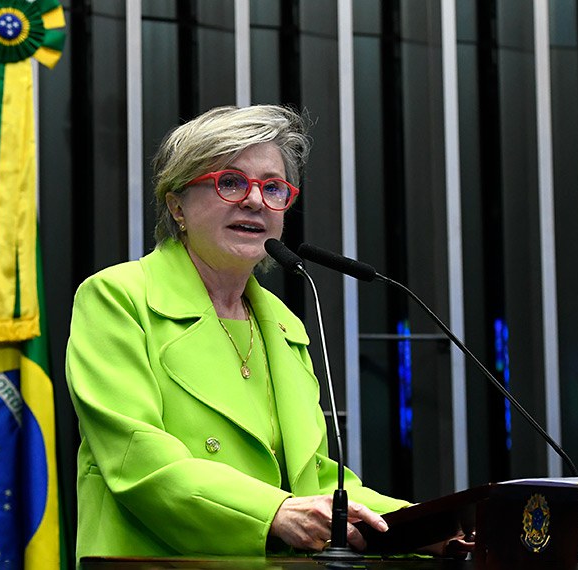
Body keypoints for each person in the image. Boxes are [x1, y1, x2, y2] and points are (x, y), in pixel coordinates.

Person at [65, 105, 459, 561]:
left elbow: (318, 481)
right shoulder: (117, 298)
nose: (254, 201)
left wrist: (428, 528)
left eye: (273, 188)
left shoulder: (284, 325)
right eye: (230, 182)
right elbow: (140, 461)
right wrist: (273, 512)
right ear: (177, 205)